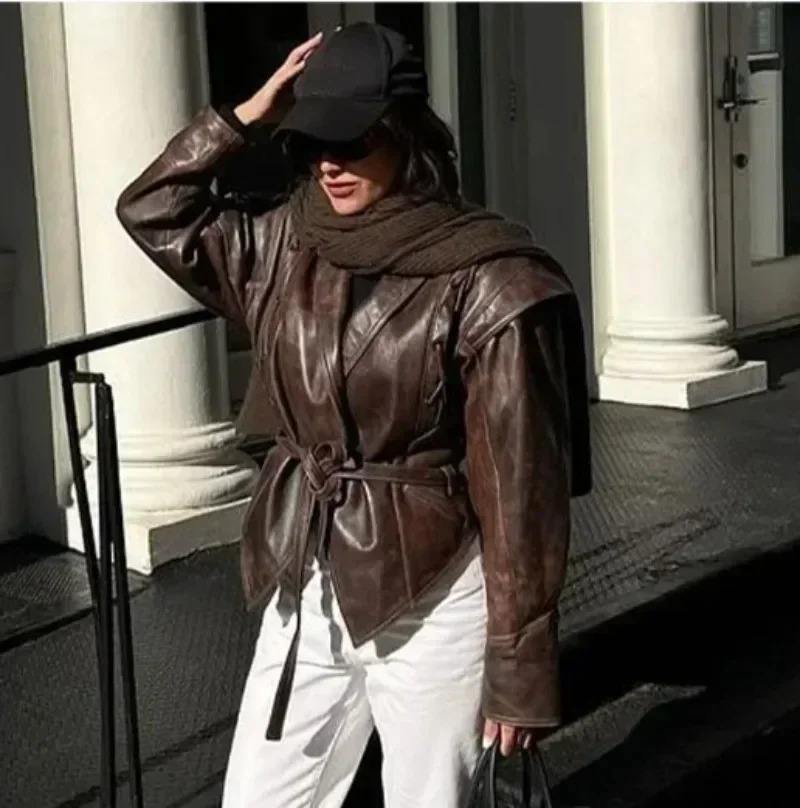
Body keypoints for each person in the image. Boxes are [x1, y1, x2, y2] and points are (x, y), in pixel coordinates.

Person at [115, 21, 592, 808]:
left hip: (434, 593)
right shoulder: (283, 245)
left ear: (405, 134)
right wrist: (246, 117)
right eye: (311, 143)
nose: (328, 163)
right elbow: (154, 209)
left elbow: (522, 493)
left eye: (351, 139)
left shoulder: (492, 280)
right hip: (306, 576)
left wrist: (520, 664)